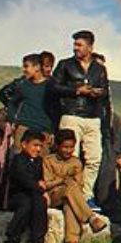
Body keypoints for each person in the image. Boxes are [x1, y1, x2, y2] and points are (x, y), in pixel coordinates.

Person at [51, 30, 109, 201]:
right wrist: (77, 90)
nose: (75, 48)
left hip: (93, 117)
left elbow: (106, 92)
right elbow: (53, 87)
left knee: (94, 158)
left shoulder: (99, 69)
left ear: (90, 47)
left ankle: (86, 195)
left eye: (79, 45)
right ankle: (69, 194)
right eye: (74, 44)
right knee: (70, 157)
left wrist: (98, 93)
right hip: (71, 114)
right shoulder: (65, 65)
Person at [43, 129, 108, 243]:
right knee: (69, 188)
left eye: (71, 147)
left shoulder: (76, 162)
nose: (68, 150)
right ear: (58, 146)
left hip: (71, 195)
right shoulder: (48, 160)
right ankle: (91, 218)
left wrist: (68, 182)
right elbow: (47, 184)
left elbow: (79, 185)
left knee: (69, 203)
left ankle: (72, 242)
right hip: (53, 195)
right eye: (65, 147)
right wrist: (62, 180)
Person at [0, 53, 54, 149]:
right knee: (19, 159)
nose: (24, 70)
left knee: (42, 162)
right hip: (24, 129)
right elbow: (12, 103)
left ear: (37, 67)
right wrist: (13, 121)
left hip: (44, 130)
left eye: (26, 66)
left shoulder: (52, 85)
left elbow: (56, 109)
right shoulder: (22, 85)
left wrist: (52, 131)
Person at [3, 130, 48, 243]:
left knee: (40, 202)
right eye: (35, 145)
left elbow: (40, 180)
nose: (38, 149)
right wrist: (38, 186)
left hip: (34, 194)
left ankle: (38, 240)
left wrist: (40, 187)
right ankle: (12, 236)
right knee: (26, 204)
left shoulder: (38, 161)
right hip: (17, 195)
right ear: (24, 144)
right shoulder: (18, 160)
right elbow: (24, 180)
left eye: (40, 146)